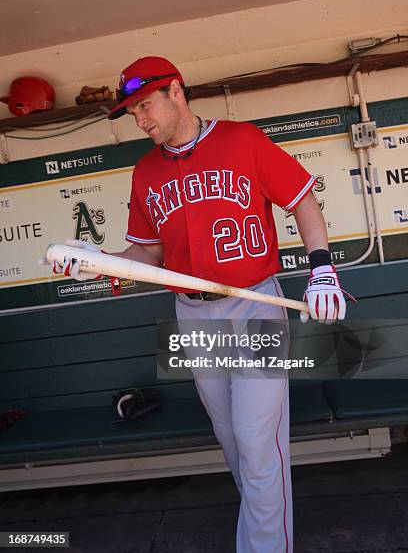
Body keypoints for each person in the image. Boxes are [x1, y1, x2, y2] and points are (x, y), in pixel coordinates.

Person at [54, 56, 349, 553]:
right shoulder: (146, 171)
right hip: (192, 314)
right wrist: (98, 260)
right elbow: (148, 251)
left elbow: (302, 200)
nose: (140, 119)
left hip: (253, 306)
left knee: (258, 444)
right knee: (234, 442)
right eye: (132, 112)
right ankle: (263, 536)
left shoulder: (242, 141)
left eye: (144, 105)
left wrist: (322, 268)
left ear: (176, 92)